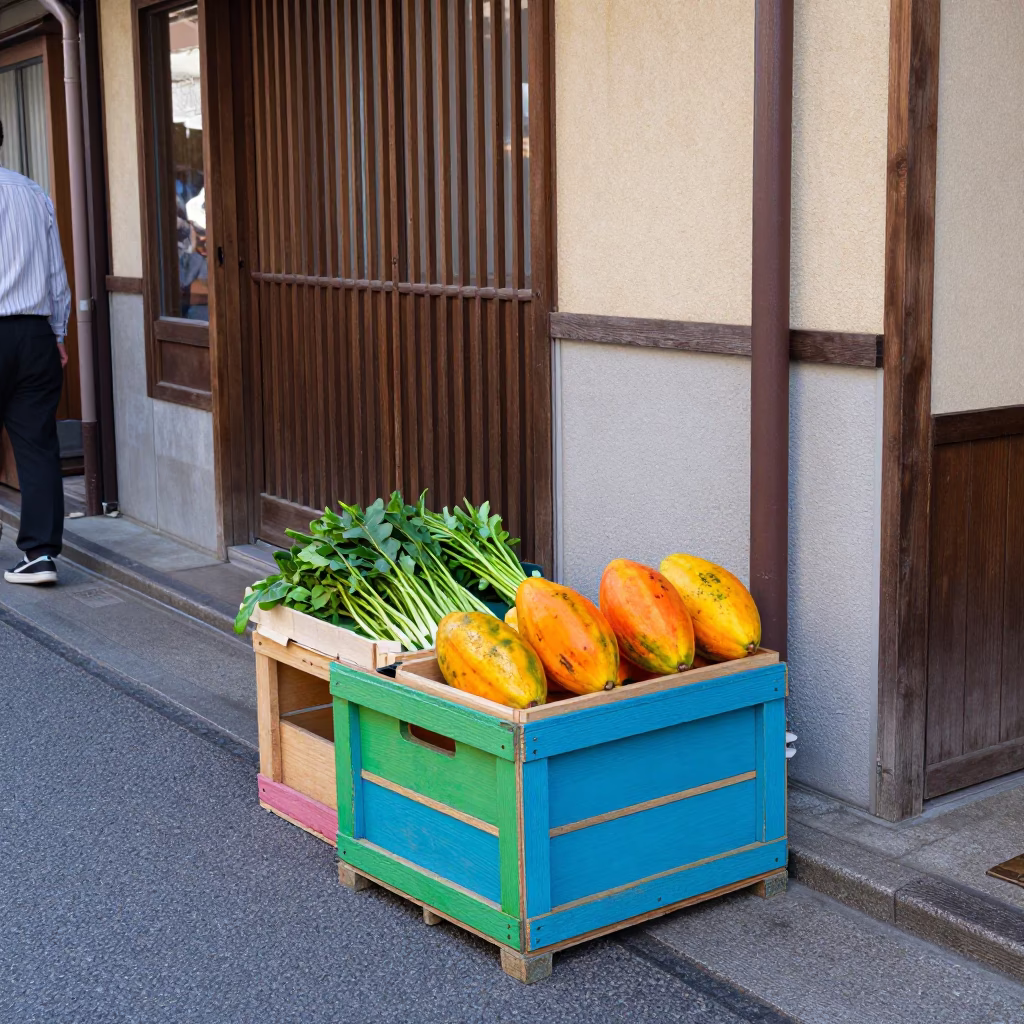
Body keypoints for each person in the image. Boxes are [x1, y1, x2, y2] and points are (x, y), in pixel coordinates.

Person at [0, 118, 71, 585]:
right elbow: (56, 273)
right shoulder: (32, 192)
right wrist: (59, 334)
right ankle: (40, 556)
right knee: (38, 444)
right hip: (35, 335)